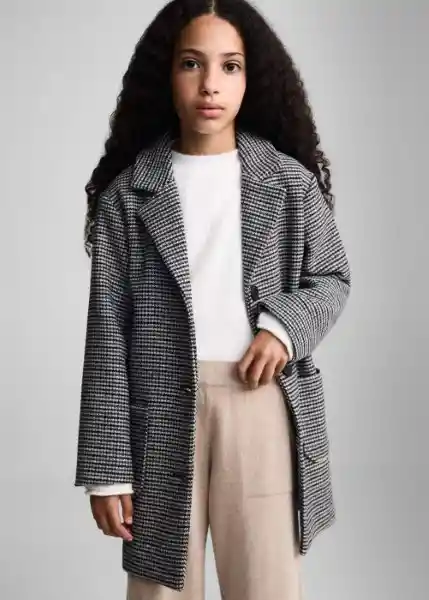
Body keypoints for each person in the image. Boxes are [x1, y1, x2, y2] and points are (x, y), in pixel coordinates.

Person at [74, 0, 352, 598]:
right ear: (166, 73)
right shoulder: (129, 193)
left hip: (258, 401)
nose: (210, 85)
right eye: (191, 64)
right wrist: (106, 470)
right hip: (155, 413)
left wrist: (281, 329)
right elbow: (107, 333)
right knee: (160, 587)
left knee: (266, 583)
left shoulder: (288, 181)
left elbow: (331, 279)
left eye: (230, 66)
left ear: (252, 78)